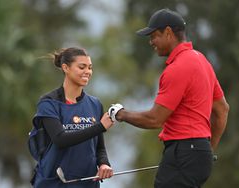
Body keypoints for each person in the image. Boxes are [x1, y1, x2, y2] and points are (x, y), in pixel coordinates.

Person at [108, 8, 229, 188]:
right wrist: (208, 150)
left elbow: (155, 119)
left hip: (184, 152)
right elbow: (222, 109)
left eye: (154, 36)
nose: (151, 42)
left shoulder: (178, 67)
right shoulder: (201, 60)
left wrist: (121, 114)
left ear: (168, 32)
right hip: (199, 153)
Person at [31, 47, 114, 188]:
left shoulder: (95, 104)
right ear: (65, 68)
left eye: (90, 67)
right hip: (55, 183)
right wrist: (100, 126)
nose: (87, 72)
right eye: (82, 67)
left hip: (87, 183)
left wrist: (104, 163)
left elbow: (99, 146)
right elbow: (60, 139)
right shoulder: (48, 103)